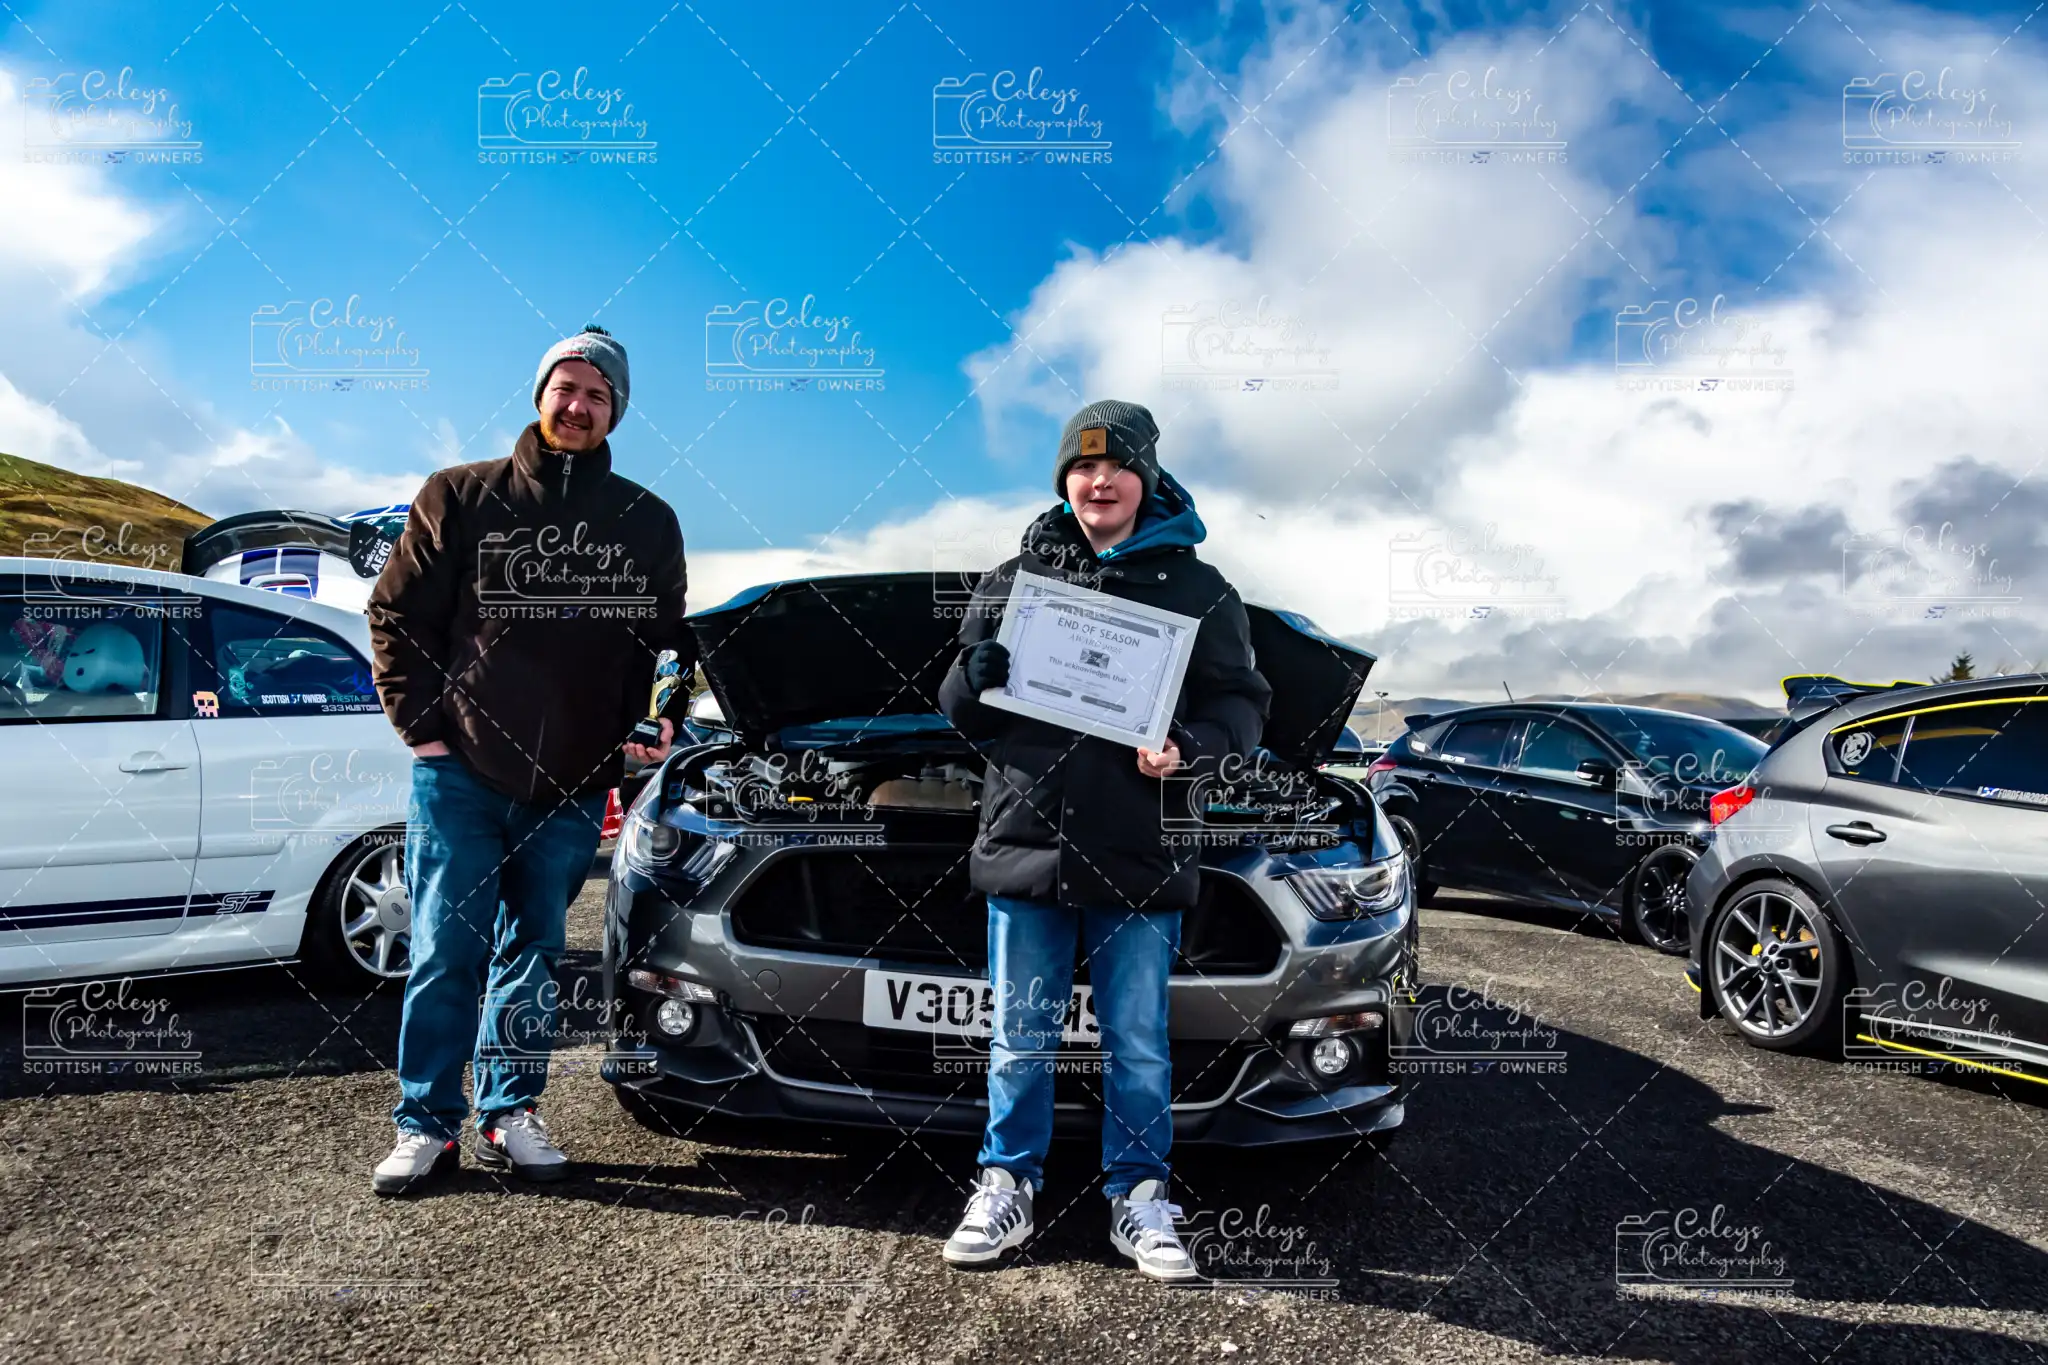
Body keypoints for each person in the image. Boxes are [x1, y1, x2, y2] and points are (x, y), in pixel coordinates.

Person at [935, 399, 1271, 1279]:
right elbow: (960, 708)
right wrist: (972, 674)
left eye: (1118, 465)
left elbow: (1243, 704)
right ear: (1064, 480)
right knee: (1019, 1035)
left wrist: (1192, 746)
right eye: (1082, 466)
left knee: (1138, 1041)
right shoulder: (1015, 579)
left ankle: (1139, 1194)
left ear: (1147, 478)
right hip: (1028, 839)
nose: (1100, 479)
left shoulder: (1201, 590)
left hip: (1140, 850)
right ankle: (1007, 1181)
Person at [366, 325, 693, 1196]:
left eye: (597, 394)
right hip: (460, 772)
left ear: (616, 411)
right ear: (540, 394)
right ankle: (425, 1123)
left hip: (575, 781)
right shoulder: (459, 495)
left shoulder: (647, 520)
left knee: (535, 952)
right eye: (566, 387)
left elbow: (667, 645)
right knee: (445, 950)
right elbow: (395, 615)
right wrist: (423, 731)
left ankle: (509, 1111)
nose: (578, 405)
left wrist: (656, 721)